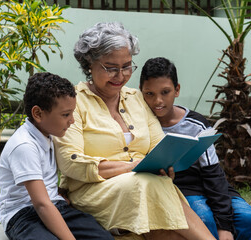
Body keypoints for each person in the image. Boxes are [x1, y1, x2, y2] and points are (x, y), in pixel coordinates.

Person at [54, 22, 215, 240]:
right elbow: (71, 162)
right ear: (89, 63)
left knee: (162, 222)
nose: (120, 75)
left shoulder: (137, 98)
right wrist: (132, 167)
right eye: (111, 68)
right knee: (145, 185)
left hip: (145, 187)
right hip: (95, 191)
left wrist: (164, 164)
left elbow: (159, 145)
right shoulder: (73, 101)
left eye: (127, 66)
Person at [139, 57, 251, 240]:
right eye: (149, 94)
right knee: (204, 219)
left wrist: (225, 227)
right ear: (141, 93)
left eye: (165, 92)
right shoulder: (139, 123)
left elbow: (213, 174)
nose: (158, 101)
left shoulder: (196, 124)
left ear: (177, 90)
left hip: (208, 184)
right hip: (178, 188)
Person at [0, 72, 114, 240]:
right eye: (66, 114)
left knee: (103, 238)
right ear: (38, 114)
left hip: (56, 206)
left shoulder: (50, 133)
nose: (72, 121)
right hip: (23, 216)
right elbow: (41, 204)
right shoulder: (24, 146)